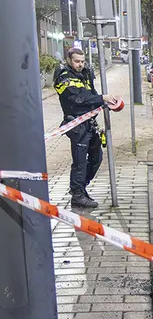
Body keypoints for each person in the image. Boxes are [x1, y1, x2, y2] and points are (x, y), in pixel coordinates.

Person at [54, 47, 118, 208]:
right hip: (76, 125)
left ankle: (80, 188)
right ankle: (77, 194)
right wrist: (101, 98)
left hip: (89, 123)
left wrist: (103, 102)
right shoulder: (64, 77)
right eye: (76, 61)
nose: (80, 64)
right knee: (80, 162)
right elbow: (78, 98)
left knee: (96, 158)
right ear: (69, 60)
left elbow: (91, 93)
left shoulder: (86, 73)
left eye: (82, 61)